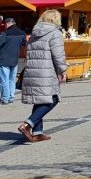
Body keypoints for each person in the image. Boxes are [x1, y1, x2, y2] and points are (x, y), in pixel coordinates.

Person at [18, 9, 68, 142]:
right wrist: (62, 70)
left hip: (32, 70)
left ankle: (38, 132)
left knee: (39, 100)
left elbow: (28, 52)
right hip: (46, 71)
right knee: (53, 99)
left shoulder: (34, 33)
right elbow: (58, 54)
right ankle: (28, 125)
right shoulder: (55, 33)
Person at [1, 17, 28, 104]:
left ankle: (5, 98)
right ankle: (11, 97)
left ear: (7, 24)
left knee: (4, 79)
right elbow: (23, 44)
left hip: (4, 59)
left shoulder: (5, 34)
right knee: (12, 79)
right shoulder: (22, 33)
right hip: (15, 59)